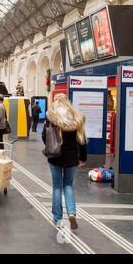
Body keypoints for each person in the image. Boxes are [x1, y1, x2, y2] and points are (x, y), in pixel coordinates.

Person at [42, 93, 87, 230]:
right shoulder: (76, 117)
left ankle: (57, 219)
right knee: (68, 185)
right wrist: (82, 158)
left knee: (57, 187)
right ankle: (72, 213)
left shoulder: (51, 117)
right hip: (72, 157)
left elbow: (45, 137)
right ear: (67, 102)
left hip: (55, 156)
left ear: (55, 102)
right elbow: (82, 140)